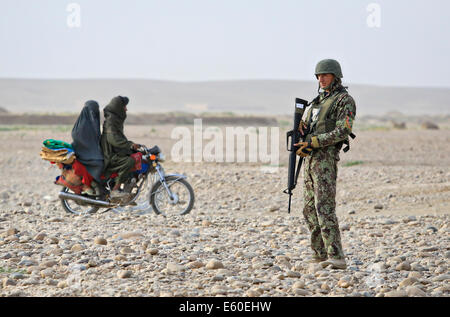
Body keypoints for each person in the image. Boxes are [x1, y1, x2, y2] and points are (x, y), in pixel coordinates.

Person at [294, 59, 356, 269]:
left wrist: (315, 141)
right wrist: (302, 132)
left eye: (325, 75)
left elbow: (343, 130)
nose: (321, 79)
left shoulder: (343, 100)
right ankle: (319, 255)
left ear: (335, 77)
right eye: (318, 76)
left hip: (325, 161)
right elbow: (310, 128)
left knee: (324, 208)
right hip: (310, 160)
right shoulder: (315, 103)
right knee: (309, 210)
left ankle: (336, 257)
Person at [100, 96, 141, 199]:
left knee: (136, 156)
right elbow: (113, 139)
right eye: (124, 106)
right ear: (118, 107)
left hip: (115, 152)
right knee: (129, 161)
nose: (126, 109)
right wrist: (130, 145)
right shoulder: (111, 122)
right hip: (110, 155)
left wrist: (132, 145)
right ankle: (115, 190)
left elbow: (119, 138)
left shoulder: (115, 121)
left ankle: (128, 186)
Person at [71, 100, 105, 196]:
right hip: (82, 154)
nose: (94, 113)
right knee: (99, 163)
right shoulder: (81, 126)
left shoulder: (92, 123)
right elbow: (78, 138)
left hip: (90, 152)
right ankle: (91, 185)